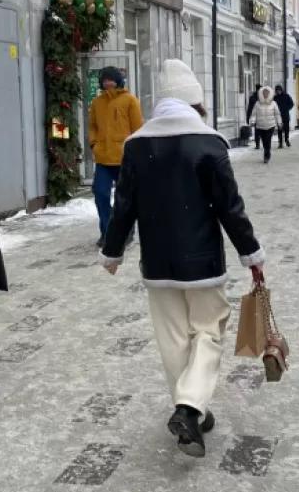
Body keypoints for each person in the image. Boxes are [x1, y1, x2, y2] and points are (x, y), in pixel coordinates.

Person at [100, 59, 264, 458]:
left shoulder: (136, 144)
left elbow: (124, 206)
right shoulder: (208, 142)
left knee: (172, 337)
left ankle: (190, 409)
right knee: (208, 331)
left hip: (158, 263)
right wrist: (250, 253)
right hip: (203, 261)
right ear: (196, 102)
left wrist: (113, 251)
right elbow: (230, 206)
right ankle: (190, 407)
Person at [89, 67, 144, 248]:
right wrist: (94, 144)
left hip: (123, 158)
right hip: (103, 158)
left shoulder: (130, 100)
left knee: (125, 199)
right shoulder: (97, 102)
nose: (107, 83)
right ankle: (107, 231)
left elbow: (138, 129)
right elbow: (92, 127)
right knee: (100, 194)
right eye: (104, 80)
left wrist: (135, 153)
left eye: (110, 79)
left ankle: (126, 231)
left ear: (118, 80)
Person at [249, 86, 283, 163]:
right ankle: (266, 151)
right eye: (264, 93)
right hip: (260, 126)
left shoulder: (274, 103)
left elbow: (277, 114)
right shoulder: (257, 103)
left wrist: (279, 123)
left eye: (267, 93)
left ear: (270, 93)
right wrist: (252, 121)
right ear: (261, 93)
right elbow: (254, 114)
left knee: (268, 140)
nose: (265, 94)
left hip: (270, 125)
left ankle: (266, 155)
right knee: (264, 141)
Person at [246, 84, 262, 150]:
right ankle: (257, 144)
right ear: (257, 90)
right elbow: (250, 108)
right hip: (256, 116)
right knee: (257, 131)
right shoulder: (252, 98)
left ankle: (264, 143)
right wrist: (248, 117)